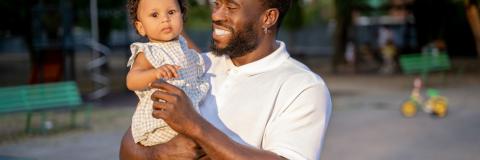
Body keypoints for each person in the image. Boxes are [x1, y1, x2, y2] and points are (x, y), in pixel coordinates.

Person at [120, 0, 332, 159]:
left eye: (231, 7)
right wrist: (157, 154)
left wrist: (195, 126)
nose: (216, 15)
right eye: (217, 4)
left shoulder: (303, 87)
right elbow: (130, 143)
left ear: (268, 18)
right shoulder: (194, 64)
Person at [125, 0, 209, 146]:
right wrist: (155, 73)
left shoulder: (184, 47)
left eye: (171, 12)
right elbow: (131, 80)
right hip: (161, 121)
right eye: (155, 15)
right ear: (141, 27)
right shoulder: (149, 52)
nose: (165, 19)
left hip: (188, 114)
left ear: (182, 17)